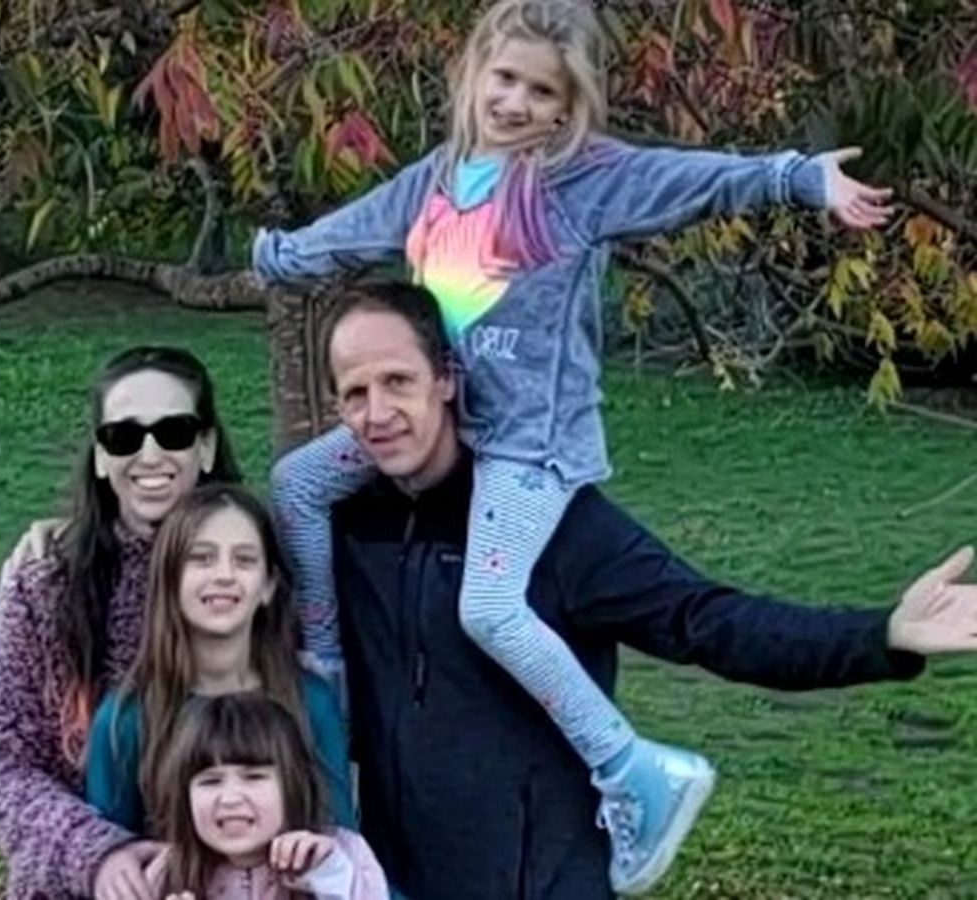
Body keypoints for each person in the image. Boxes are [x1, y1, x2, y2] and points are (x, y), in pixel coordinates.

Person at [252, 0, 892, 892]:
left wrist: (794, 178)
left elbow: (686, 181)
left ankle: (634, 769)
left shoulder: (577, 180)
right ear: (472, 74)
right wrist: (282, 256)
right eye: (505, 79)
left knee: (490, 607)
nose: (516, 103)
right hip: (454, 420)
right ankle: (325, 665)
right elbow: (354, 229)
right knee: (298, 481)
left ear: (567, 108)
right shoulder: (437, 178)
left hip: (530, 447)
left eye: (542, 91)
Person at [319, 280, 977, 900]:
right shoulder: (346, 523)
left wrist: (882, 634)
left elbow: (704, 620)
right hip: (397, 881)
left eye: (397, 381)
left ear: (445, 379)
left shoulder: (547, 520)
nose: (378, 413)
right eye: (355, 393)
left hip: (540, 881)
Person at [0, 346, 245, 900]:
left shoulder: (255, 575)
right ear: (100, 456)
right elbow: (1, 762)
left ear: (207, 446)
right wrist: (96, 854)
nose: (150, 454)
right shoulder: (45, 580)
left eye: (174, 432)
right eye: (124, 437)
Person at [84, 484, 354, 842]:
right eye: (202, 558)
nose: (224, 574)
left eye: (244, 560)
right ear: (169, 578)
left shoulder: (310, 703)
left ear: (268, 586)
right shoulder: (125, 718)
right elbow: (105, 851)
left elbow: (344, 846)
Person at [144, 693, 388, 899]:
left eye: (253, 777)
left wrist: (329, 877)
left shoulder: (343, 856)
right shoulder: (168, 874)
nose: (230, 798)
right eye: (211, 781)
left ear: (293, 783)